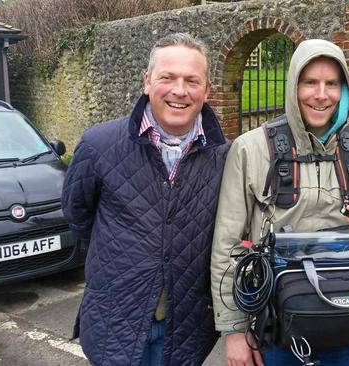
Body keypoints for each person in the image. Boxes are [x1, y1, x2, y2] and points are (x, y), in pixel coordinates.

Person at [210, 39, 349, 366]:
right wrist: (233, 331)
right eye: (310, 82)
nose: (321, 94)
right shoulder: (251, 150)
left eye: (331, 84)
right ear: (293, 87)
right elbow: (228, 247)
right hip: (275, 331)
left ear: (343, 89)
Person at [62, 33, 231, 365]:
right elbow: (78, 214)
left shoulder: (225, 157)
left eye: (191, 80)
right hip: (116, 319)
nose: (179, 90)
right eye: (167, 77)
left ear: (207, 91)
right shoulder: (99, 145)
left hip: (186, 326)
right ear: (147, 82)